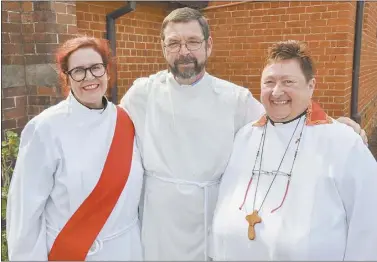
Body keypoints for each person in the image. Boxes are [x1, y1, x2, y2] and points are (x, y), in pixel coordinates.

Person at [120, 7, 368, 261]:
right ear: (163, 47)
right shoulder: (142, 94)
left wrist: (335, 126)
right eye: (174, 43)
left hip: (211, 214)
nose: (184, 51)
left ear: (208, 46)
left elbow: (282, 120)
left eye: (193, 41)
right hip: (160, 224)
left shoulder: (234, 98)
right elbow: (111, 132)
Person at [210, 40, 377, 261]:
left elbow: (367, 222)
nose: (276, 91)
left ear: (311, 86)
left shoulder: (343, 143)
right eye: (269, 82)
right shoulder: (245, 136)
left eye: (288, 81)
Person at [6, 36, 144, 261]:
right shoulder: (46, 128)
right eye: (78, 71)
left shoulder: (127, 121)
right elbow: (25, 211)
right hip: (72, 253)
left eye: (96, 68)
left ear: (107, 72)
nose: (89, 77)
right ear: (66, 78)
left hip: (126, 250)